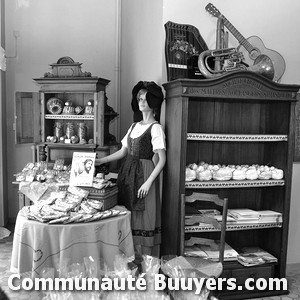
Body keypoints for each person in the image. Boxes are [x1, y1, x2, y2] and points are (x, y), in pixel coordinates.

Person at [96, 81, 166, 256]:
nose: (142, 102)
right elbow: (122, 152)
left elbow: (162, 160)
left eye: (145, 98)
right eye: (139, 99)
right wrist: (100, 161)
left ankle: (146, 261)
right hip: (128, 172)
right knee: (129, 211)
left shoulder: (156, 128)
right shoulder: (134, 126)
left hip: (145, 172)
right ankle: (130, 257)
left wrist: (149, 183)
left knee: (144, 214)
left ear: (153, 102)